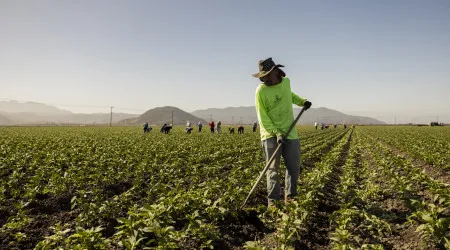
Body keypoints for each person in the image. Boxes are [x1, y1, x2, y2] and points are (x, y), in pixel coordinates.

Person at [253, 57, 312, 207]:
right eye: (262, 76)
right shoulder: (261, 91)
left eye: (266, 75)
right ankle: (273, 202)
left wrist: (302, 101)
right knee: (272, 170)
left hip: (290, 132)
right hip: (270, 135)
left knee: (293, 167)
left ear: (275, 72)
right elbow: (262, 117)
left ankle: (291, 198)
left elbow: (289, 95)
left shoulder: (286, 82)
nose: (264, 79)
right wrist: (276, 133)